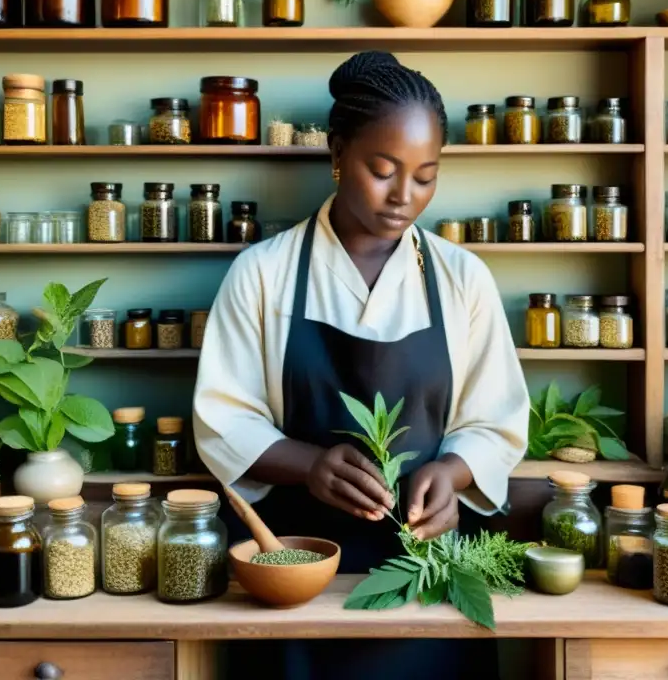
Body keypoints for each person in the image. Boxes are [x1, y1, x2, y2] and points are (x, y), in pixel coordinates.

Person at [193, 51, 529, 680]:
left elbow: (497, 421)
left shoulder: (462, 279)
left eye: (426, 176)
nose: (405, 196)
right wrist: (310, 465)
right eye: (382, 170)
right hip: (296, 570)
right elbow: (222, 420)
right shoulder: (264, 274)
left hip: (426, 574)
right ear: (338, 153)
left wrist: (453, 476)